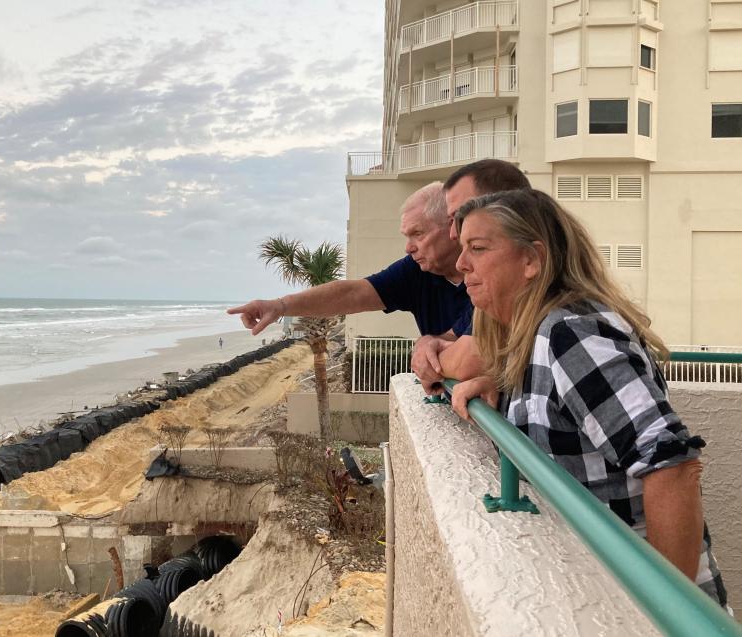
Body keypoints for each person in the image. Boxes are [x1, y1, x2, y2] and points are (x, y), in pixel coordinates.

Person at [449, 188, 727, 606]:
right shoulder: (536, 338)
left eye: (478, 248)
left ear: (531, 260)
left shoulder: (572, 334)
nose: (460, 264)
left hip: (639, 600)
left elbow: (670, 463)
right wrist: (501, 384)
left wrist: (669, 610)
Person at [228, 182, 470, 342]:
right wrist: (280, 306)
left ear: (452, 226)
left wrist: (431, 347)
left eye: (418, 234)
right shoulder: (417, 270)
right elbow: (352, 293)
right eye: (407, 236)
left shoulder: (489, 275)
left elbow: (460, 345)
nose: (409, 247)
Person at [412, 159, 531, 393]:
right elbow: (455, 337)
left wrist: (433, 361)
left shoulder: (566, 331)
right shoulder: (491, 300)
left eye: (460, 216)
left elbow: (465, 361)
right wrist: (427, 342)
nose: (453, 233)